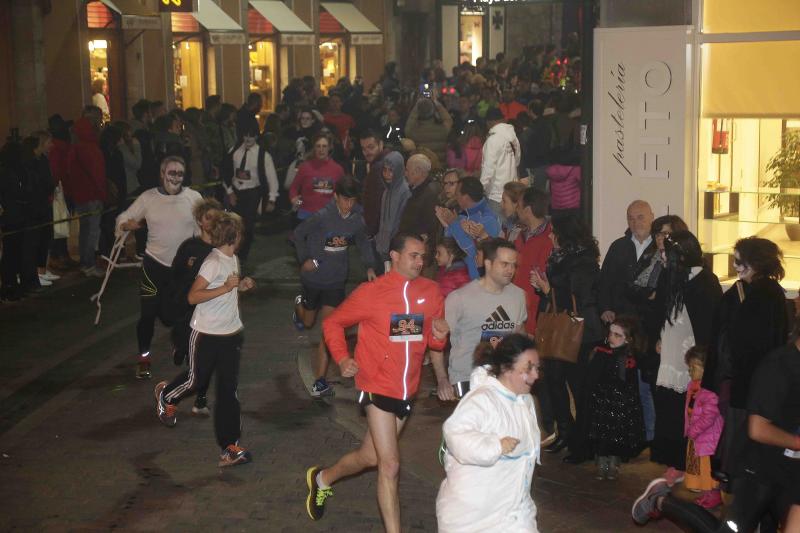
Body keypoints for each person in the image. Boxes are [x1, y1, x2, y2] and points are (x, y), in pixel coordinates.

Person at [306, 233, 449, 533]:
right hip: (376, 386)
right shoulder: (371, 292)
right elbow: (333, 323)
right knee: (390, 465)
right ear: (394, 257)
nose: (420, 261)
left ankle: (323, 478)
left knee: (370, 456)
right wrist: (343, 358)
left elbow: (434, 345)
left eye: (423, 256)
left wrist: (440, 334)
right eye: (413, 255)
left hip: (408, 390)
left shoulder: (432, 292)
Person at [632, 329, 800, 532]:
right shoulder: (779, 365)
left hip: (790, 469)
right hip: (757, 469)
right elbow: (758, 429)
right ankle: (661, 501)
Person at [155, 212, 256, 467]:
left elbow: (227, 293)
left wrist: (239, 286)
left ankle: (229, 447)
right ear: (235, 237)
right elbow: (193, 297)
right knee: (195, 380)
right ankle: (167, 395)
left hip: (230, 334)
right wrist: (225, 287)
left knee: (228, 391)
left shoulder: (232, 258)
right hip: (205, 334)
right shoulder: (213, 262)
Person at [704, 236, 789, 492]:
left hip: (751, 381)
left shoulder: (764, 295)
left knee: (744, 437)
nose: (736, 265)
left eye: (741, 260)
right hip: (749, 380)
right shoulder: (760, 292)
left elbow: (750, 341)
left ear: (756, 262)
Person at [436, 334, 542, 533]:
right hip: (472, 518)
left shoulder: (524, 401)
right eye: (528, 368)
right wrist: (495, 446)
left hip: (513, 513)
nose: (535, 375)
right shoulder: (482, 400)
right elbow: (455, 434)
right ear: (505, 368)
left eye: (537, 368)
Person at [116, 156, 203, 379]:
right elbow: (125, 216)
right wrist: (126, 225)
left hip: (181, 270)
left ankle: (179, 344)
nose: (175, 177)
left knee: (177, 315)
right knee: (147, 314)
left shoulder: (194, 198)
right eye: (171, 172)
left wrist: (202, 255)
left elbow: (204, 230)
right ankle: (144, 358)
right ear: (162, 173)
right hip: (153, 267)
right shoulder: (148, 198)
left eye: (180, 173)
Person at [292, 177, 376, 397]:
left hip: (336, 281)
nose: (348, 204)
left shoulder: (357, 219)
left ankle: (319, 381)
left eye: (352, 200)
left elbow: (363, 242)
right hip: (314, 280)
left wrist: (369, 266)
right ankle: (299, 306)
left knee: (329, 329)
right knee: (308, 321)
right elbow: (298, 234)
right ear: (336, 196)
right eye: (345, 199)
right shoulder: (321, 217)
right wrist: (305, 260)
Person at [651, 230, 722, 485]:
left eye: (666, 254)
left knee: (691, 412)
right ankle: (673, 460)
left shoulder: (705, 281)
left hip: (691, 357)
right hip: (670, 351)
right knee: (670, 407)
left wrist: (701, 357)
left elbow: (709, 324)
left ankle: (689, 462)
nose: (663, 259)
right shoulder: (671, 278)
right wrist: (660, 336)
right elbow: (664, 311)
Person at [529, 215, 603, 456]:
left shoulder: (584, 261)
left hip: (579, 333)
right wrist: (543, 288)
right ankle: (565, 432)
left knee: (578, 386)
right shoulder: (559, 256)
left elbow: (579, 298)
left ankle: (583, 441)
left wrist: (548, 289)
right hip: (558, 329)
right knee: (553, 381)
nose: (550, 236)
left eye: (554, 232)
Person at [435, 238, 527, 400]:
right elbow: (437, 340)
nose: (510, 270)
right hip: (467, 378)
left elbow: (519, 332)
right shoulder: (460, 298)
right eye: (504, 264)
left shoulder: (518, 295)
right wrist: (442, 379)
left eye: (514, 265)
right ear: (488, 264)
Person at [168, 197, 223, 415]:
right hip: (188, 311)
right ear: (200, 221)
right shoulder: (189, 247)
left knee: (206, 359)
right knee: (195, 356)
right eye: (208, 218)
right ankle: (179, 347)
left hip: (210, 312)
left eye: (216, 218)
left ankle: (200, 400)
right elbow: (175, 275)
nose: (212, 222)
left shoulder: (221, 249)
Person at [584, 316, 646, 480]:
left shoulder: (629, 357)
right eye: (611, 333)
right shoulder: (601, 352)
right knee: (602, 432)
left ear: (627, 339)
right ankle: (602, 461)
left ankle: (613, 461)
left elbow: (631, 382)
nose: (612, 337)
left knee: (616, 433)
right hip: (603, 400)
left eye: (617, 335)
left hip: (620, 402)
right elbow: (593, 376)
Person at [221, 128, 278, 264]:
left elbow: (272, 178)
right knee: (232, 225)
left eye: (251, 136)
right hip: (236, 191)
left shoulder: (263, 155)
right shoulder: (234, 150)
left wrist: (272, 199)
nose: (247, 139)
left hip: (252, 193)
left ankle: (242, 256)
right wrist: (230, 192)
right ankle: (231, 254)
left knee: (247, 227)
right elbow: (226, 171)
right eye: (245, 135)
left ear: (256, 137)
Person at [597, 200, 655, 325]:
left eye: (640, 217)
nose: (635, 223)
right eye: (631, 219)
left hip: (651, 317)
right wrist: (605, 308)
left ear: (652, 217)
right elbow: (605, 280)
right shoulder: (618, 246)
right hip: (620, 318)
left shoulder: (659, 247)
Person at [435, 176, 500, 280]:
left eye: (457, 195)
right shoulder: (463, 214)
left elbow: (473, 251)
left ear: (466, 197)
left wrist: (453, 223)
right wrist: (447, 225)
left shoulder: (488, 220)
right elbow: (451, 245)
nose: (455, 198)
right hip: (463, 277)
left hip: (480, 279)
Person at [65, 116, 107, 277]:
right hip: (92, 194)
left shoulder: (74, 148)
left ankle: (85, 262)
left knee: (84, 230)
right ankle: (89, 263)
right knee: (92, 231)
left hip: (80, 195)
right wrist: (102, 193)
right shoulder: (91, 149)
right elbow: (98, 175)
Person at [682, 346, 724, 509]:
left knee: (708, 468)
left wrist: (694, 430)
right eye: (689, 367)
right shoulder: (692, 386)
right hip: (697, 435)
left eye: (694, 368)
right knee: (699, 467)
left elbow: (709, 416)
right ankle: (706, 492)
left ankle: (713, 494)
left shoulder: (710, 391)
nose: (690, 371)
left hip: (708, 438)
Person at [512, 187, 553, 336]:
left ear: (528, 210)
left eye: (519, 206)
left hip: (534, 316)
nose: (516, 210)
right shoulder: (520, 236)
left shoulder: (550, 239)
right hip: (516, 312)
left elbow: (540, 281)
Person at [289, 133, 345, 223]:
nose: (321, 149)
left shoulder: (338, 170)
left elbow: (343, 193)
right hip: (305, 215)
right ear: (314, 148)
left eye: (324, 146)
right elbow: (294, 188)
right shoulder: (304, 167)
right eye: (318, 146)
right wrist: (296, 202)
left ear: (329, 148)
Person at [479, 107, 520, 218]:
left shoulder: (492, 140)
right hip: (512, 193)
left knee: (498, 230)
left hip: (496, 195)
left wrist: (479, 189)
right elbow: (517, 161)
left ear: (489, 122)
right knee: (511, 230)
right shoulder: (513, 138)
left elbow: (488, 169)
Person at [374, 152, 411, 267]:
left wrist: (393, 248)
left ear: (399, 170)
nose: (387, 174)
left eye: (391, 170)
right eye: (384, 170)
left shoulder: (404, 192)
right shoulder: (387, 191)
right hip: (384, 249)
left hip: (396, 251)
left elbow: (400, 223)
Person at [397, 153, 441, 242]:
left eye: (407, 170)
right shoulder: (415, 189)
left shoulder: (430, 194)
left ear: (418, 171)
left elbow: (429, 228)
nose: (405, 174)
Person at [357, 130, 390, 237]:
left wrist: (371, 231)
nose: (367, 152)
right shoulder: (389, 161)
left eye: (371, 147)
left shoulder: (380, 168)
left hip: (380, 230)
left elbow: (377, 204)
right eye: (363, 148)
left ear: (380, 144)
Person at [404, 94, 453, 165]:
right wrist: (436, 103)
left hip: (422, 167)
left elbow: (408, 126)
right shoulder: (442, 129)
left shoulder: (413, 131)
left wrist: (418, 104)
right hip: (439, 166)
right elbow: (448, 120)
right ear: (433, 111)